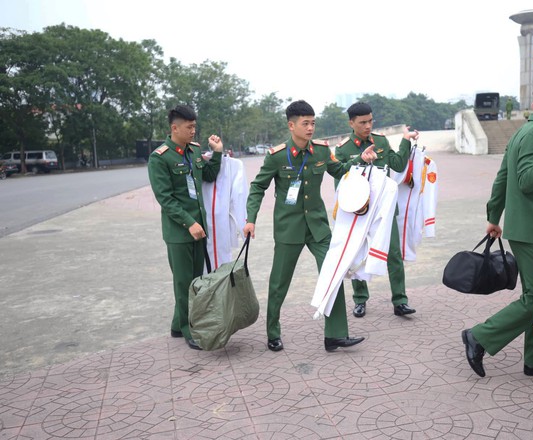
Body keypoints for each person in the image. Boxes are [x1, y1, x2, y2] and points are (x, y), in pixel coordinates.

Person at [461, 79, 533, 378]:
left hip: (524, 227)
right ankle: (480, 336)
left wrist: (494, 216)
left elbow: (503, 177)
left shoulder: (524, 132)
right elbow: (527, 179)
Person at [243, 100, 371, 352]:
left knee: (332, 275)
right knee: (279, 282)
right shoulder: (277, 156)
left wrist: (362, 160)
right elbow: (258, 186)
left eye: (313, 123)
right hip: (288, 228)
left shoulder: (322, 151)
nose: (311, 128)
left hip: (318, 228)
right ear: (292, 126)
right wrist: (250, 219)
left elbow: (341, 171)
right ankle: (272, 332)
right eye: (305, 123)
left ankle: (335, 335)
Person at [148, 104, 224, 350]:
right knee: (184, 282)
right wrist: (189, 223)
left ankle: (177, 325)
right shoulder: (159, 158)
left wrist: (218, 152)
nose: (193, 131)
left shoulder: (193, 151)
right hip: (180, 232)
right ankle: (189, 329)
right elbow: (165, 198)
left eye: (194, 127)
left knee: (195, 280)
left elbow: (208, 175)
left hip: (198, 228)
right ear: (174, 128)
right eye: (189, 127)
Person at [334, 102, 419, 318]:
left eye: (370, 121)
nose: (367, 126)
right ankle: (360, 300)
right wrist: (358, 161)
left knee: (393, 254)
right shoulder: (343, 149)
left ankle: (400, 300)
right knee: (357, 254)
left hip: (384, 209)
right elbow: (340, 177)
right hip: (359, 213)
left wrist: (405, 141)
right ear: (351, 123)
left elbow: (398, 165)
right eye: (362, 122)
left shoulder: (380, 141)